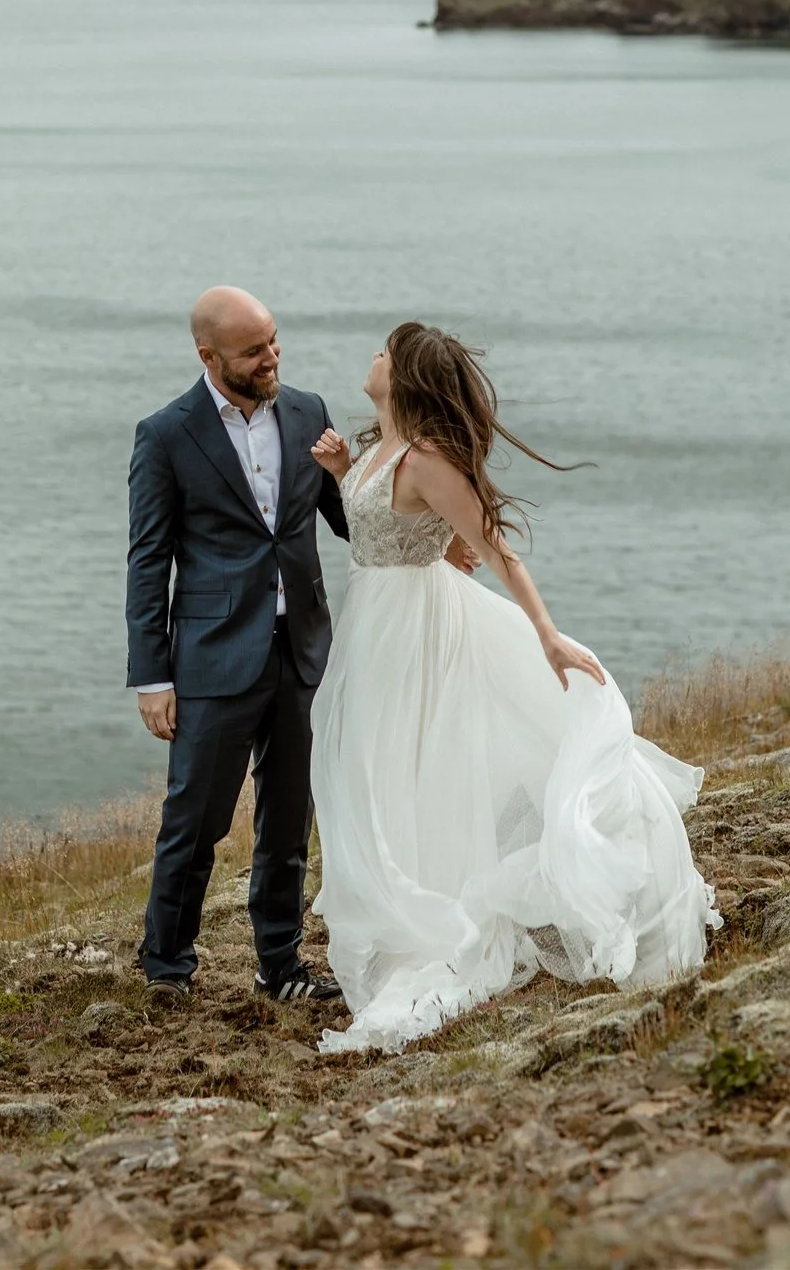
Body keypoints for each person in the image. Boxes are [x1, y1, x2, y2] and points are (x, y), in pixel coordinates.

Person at [308, 321, 721, 1054]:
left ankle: (437, 918)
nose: (371, 357)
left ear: (402, 377)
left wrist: (547, 634)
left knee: (422, 760)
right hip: (375, 627)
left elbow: (497, 549)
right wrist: (342, 470)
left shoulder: (428, 460)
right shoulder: (375, 447)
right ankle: (414, 901)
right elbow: (374, 526)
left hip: (420, 626)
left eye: (384, 352)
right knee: (380, 767)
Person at [125, 286, 351, 1001]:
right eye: (254, 351)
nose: (271, 358)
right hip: (212, 657)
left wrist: (428, 522)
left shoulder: (309, 412)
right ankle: (167, 966)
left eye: (274, 341)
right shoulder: (165, 434)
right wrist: (151, 677)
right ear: (209, 356)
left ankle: (279, 967)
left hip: (302, 650)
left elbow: (349, 521)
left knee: (289, 822)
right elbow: (148, 559)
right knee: (195, 822)